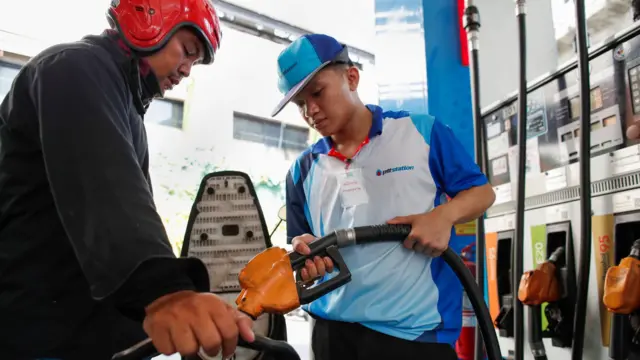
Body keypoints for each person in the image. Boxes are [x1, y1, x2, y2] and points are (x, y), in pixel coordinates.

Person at [0, 1, 255, 359]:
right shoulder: (74, 68)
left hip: (82, 332)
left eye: (194, 63)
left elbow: (133, 205)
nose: (185, 71)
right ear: (149, 20)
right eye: (187, 51)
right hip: (39, 332)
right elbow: (106, 191)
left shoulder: (126, 107)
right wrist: (165, 292)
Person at [274, 34, 496, 360]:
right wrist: (306, 255)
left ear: (351, 77)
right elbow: (300, 240)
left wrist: (444, 215)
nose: (312, 110)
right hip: (332, 336)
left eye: (317, 93)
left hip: (414, 337)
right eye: (300, 104)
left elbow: (482, 192)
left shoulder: (420, 132)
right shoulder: (302, 170)